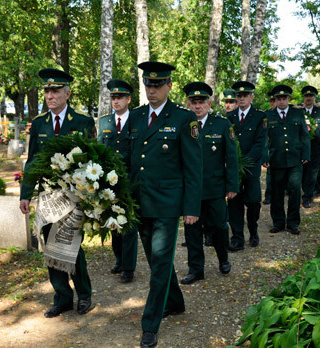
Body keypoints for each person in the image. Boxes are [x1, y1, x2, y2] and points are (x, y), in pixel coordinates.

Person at [128, 61, 202, 348]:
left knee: (159, 264)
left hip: (168, 204)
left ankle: (150, 323)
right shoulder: (135, 117)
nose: (152, 89)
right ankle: (176, 302)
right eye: (148, 84)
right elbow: (130, 161)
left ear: (169, 86)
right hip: (140, 201)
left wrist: (192, 207)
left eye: (158, 85)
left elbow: (194, 167)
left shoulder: (184, 119)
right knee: (156, 259)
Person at [19, 68, 95, 318]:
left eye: (55, 91)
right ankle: (62, 297)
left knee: (72, 246)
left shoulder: (83, 122)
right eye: (47, 91)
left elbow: (93, 160)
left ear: (67, 93)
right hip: (48, 197)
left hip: (74, 196)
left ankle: (84, 295)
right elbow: (32, 161)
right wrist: (25, 194)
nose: (50, 96)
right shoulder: (39, 123)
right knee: (50, 247)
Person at [179, 81, 238, 284]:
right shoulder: (182, 124)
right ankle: (196, 269)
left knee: (219, 227)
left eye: (201, 101)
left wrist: (232, 185)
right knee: (192, 230)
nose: (197, 106)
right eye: (193, 102)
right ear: (188, 103)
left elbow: (231, 157)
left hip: (214, 188)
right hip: (190, 190)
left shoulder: (221, 125)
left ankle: (223, 258)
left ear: (209, 102)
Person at [98, 78, 138, 283]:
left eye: (120, 97)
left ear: (128, 99)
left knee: (129, 224)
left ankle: (129, 268)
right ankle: (120, 260)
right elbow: (99, 150)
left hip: (131, 180)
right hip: (110, 183)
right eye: (113, 97)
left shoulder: (137, 119)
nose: (116, 101)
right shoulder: (104, 121)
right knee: (113, 223)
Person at [263, 84, 310, 235]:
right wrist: (265, 156)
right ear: (275, 100)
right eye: (279, 99)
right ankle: (278, 222)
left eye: (284, 98)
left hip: (295, 159)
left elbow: (304, 135)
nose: (282, 101)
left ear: (289, 99)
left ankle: (293, 223)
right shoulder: (268, 115)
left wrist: (306, 154)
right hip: (276, 159)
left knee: (295, 191)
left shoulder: (297, 114)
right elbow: (263, 138)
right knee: (276, 193)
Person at [226, 81, 267, 251]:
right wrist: (235, 165)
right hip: (234, 169)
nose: (241, 98)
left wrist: (245, 163)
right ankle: (237, 238)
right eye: (238, 96)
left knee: (254, 202)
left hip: (251, 168)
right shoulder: (229, 117)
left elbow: (260, 143)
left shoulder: (259, 117)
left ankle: (253, 230)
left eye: (245, 95)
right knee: (234, 203)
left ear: (252, 96)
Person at [301, 86, 320, 208]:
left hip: (315, 148)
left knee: (312, 174)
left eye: (311, 96)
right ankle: (304, 191)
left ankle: (308, 197)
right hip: (300, 149)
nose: (309, 98)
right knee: (302, 173)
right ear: (304, 97)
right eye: (306, 96)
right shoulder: (298, 111)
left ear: (314, 98)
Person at [262, 91, 276, 205]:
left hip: (280, 147)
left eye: (273, 101)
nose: (272, 103)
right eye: (270, 101)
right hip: (270, 148)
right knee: (270, 176)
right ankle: (268, 196)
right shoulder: (266, 115)